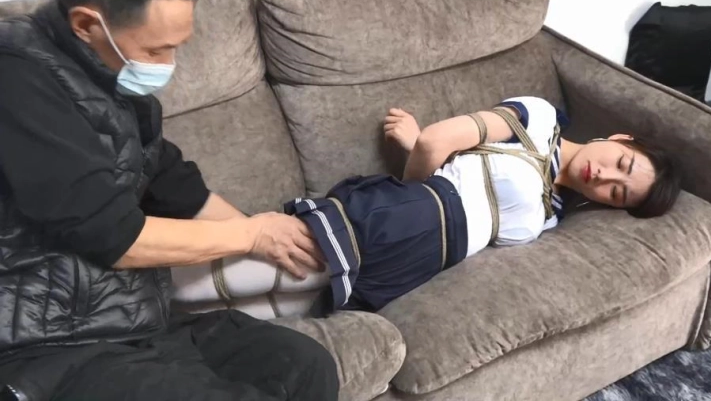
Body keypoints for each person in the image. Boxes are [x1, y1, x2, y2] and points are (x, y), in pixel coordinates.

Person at [0, 0, 338, 400]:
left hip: (138, 322)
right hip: (47, 343)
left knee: (303, 365)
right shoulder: (17, 74)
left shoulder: (115, 86)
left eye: (175, 48)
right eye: (155, 50)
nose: (167, 66)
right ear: (86, 25)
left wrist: (280, 242)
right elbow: (114, 237)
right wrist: (252, 234)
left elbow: (177, 187)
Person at [171, 95, 682, 317]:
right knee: (273, 267)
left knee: (290, 303)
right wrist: (415, 164)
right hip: (410, 215)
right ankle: (138, 291)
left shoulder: (553, 214)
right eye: (622, 163)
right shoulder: (540, 119)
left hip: (424, 263)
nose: (606, 177)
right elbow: (440, 141)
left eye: (618, 192)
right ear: (621, 138)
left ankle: (152, 339)